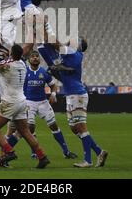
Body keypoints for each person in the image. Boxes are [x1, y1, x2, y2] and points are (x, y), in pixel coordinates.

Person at [3, 51, 77, 160]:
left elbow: (53, 85)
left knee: (54, 125)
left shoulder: (44, 72)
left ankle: (66, 152)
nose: (35, 58)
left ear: (39, 59)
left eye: (37, 56)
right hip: (28, 103)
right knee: (30, 127)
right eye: (32, 56)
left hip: (43, 102)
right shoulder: (24, 72)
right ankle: (33, 152)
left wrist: (53, 94)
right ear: (29, 60)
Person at [46, 37, 108, 168]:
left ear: (80, 45)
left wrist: (45, 30)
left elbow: (57, 45)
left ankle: (88, 160)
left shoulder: (76, 53)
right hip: (70, 94)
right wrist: (56, 69)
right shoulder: (70, 55)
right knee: (74, 128)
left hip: (77, 94)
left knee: (81, 126)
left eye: (77, 40)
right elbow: (64, 73)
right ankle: (99, 151)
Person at [0, 44, 50, 169]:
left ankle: (9, 152)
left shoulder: (7, 65)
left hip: (9, 102)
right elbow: (14, 58)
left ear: (11, 53)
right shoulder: (22, 64)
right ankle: (42, 157)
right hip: (22, 101)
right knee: (25, 131)